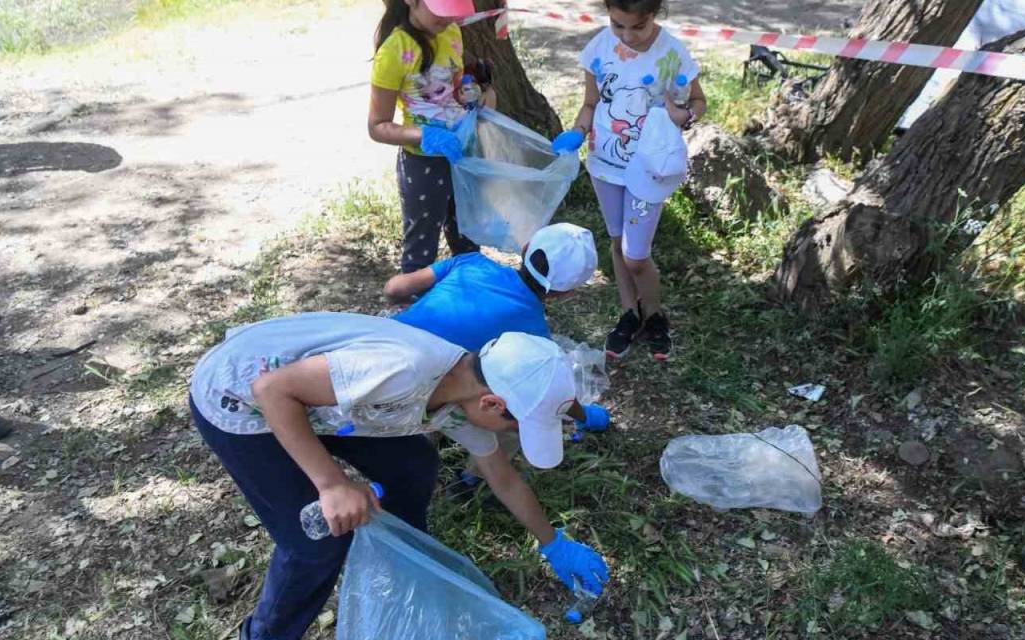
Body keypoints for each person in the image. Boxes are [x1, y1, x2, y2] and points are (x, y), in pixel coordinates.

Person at [189, 314, 609, 640]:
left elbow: (504, 479)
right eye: (517, 425)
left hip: (326, 406)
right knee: (315, 544)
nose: (512, 434)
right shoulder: (402, 371)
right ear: (494, 402)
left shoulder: (463, 396)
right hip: (241, 402)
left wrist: (553, 543)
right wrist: (332, 483)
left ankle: (403, 562)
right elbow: (272, 391)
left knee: (412, 466)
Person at [385, 222, 611, 493]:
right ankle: (473, 478)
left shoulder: (471, 262)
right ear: (568, 293)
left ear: (526, 248)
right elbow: (550, 396)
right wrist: (585, 415)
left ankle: (430, 436)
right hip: (420, 396)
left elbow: (394, 290)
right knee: (520, 407)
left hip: (384, 356)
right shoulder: (534, 336)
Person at [552, 0, 707, 361]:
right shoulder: (599, 48)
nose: (625, 35)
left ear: (654, 14)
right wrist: (577, 130)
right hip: (604, 164)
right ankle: (629, 312)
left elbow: (699, 101)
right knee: (618, 240)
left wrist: (684, 115)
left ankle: (655, 315)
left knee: (636, 255)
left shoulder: (673, 53)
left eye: (636, 27)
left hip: (648, 168)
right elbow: (591, 104)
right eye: (617, 24)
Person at [368, 0, 494, 274]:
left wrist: (474, 93)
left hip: (462, 155)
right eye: (441, 10)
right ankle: (414, 310)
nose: (449, 19)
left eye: (453, 12)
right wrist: (423, 135)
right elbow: (377, 126)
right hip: (423, 164)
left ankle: (467, 296)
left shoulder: (450, 32)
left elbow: (455, 88)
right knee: (421, 246)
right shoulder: (394, 52)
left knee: (467, 237)